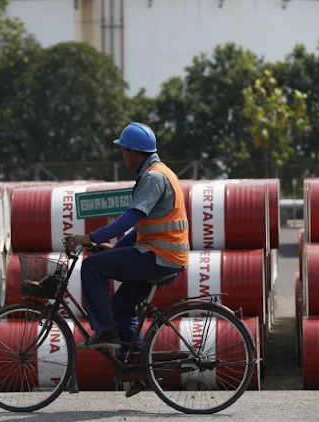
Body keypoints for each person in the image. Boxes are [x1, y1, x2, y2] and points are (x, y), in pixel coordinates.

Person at [66, 122, 190, 396]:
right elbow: (144, 226)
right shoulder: (159, 173)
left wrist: (92, 238)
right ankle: (139, 370)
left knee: (92, 266)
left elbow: (132, 217)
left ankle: (104, 331)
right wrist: (117, 247)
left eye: (124, 150)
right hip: (160, 254)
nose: (122, 155)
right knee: (122, 308)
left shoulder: (154, 177)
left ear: (135, 152)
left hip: (159, 256)